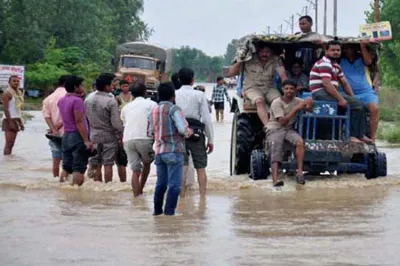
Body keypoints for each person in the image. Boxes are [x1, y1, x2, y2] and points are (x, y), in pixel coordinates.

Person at [310, 39, 371, 143]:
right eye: (332, 50)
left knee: (359, 104)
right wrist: (341, 99)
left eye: (338, 50)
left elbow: (345, 83)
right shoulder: (324, 63)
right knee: (356, 105)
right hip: (321, 92)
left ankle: (359, 134)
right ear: (326, 51)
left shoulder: (336, 66)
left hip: (330, 92)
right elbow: (327, 85)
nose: (336, 52)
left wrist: (353, 98)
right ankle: (353, 136)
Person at [148, 82, 193, 216]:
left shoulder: (154, 110)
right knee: (174, 185)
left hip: (159, 151)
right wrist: (190, 132)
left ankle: (157, 212)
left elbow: (150, 132)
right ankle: (169, 213)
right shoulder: (174, 109)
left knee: (160, 184)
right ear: (173, 96)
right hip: (174, 150)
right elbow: (182, 130)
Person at [228, 43, 287, 129]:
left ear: (271, 52)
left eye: (267, 52)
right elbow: (231, 73)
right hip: (251, 88)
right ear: (257, 52)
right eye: (262, 51)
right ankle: (268, 127)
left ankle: (279, 125)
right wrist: (240, 60)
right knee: (259, 101)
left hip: (269, 88)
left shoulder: (275, 59)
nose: (264, 54)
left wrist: (287, 89)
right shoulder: (248, 59)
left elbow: (283, 76)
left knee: (278, 101)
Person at [175, 68, 214, 198]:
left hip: (179, 134)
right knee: (201, 168)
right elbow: (206, 119)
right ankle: (203, 198)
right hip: (197, 135)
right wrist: (210, 139)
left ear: (179, 80)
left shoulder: (174, 95)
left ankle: (181, 198)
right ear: (192, 79)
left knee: (182, 168)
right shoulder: (199, 95)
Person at [266, 80, 312, 187]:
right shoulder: (277, 102)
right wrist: (296, 108)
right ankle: (275, 180)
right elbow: (283, 121)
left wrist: (309, 102)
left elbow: (309, 109)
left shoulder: (298, 100)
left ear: (295, 90)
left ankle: (300, 173)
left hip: (288, 130)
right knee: (276, 148)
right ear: (282, 90)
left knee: (300, 142)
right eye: (286, 88)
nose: (289, 91)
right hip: (275, 128)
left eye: (291, 89)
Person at [85, 73, 123, 183]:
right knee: (108, 164)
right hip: (109, 137)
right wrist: (121, 133)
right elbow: (116, 124)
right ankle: (107, 187)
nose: (114, 85)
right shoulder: (111, 101)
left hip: (93, 135)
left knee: (96, 163)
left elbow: (86, 118)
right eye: (112, 83)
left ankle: (97, 186)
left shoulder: (88, 99)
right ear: (106, 86)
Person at [121, 83, 157, 197]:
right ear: (145, 92)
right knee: (147, 163)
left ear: (131, 93)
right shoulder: (151, 104)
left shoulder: (126, 107)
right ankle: (141, 189)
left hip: (128, 139)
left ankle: (136, 196)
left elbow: (124, 122)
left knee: (135, 170)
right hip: (144, 138)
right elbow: (155, 121)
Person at [340, 41, 379, 141]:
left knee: (374, 109)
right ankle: (354, 135)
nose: (349, 51)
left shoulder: (361, 59)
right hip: (347, 93)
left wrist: (362, 45)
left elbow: (369, 61)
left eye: (352, 48)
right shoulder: (340, 60)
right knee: (356, 108)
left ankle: (372, 138)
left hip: (365, 92)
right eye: (347, 48)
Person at [58, 75, 92, 185]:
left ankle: (62, 189)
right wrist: (86, 140)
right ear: (75, 87)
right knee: (79, 168)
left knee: (66, 167)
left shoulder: (61, 100)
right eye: (81, 85)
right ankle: (76, 196)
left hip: (66, 135)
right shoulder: (77, 101)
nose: (83, 87)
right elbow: (79, 121)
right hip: (77, 136)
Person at [42, 75, 69, 178]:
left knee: (56, 161)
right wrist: (58, 127)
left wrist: (53, 129)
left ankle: (56, 182)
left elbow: (46, 116)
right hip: (69, 132)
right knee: (69, 160)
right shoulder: (69, 96)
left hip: (54, 134)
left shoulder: (48, 98)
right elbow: (68, 116)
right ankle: (67, 183)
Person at [2, 75, 24, 155]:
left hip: (16, 119)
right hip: (9, 119)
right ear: (9, 82)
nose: (16, 82)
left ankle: (9, 162)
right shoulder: (6, 94)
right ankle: (6, 163)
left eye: (17, 81)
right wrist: (10, 122)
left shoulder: (18, 93)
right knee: (8, 144)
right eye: (14, 81)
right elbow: (6, 109)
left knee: (12, 144)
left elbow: (18, 110)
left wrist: (20, 123)